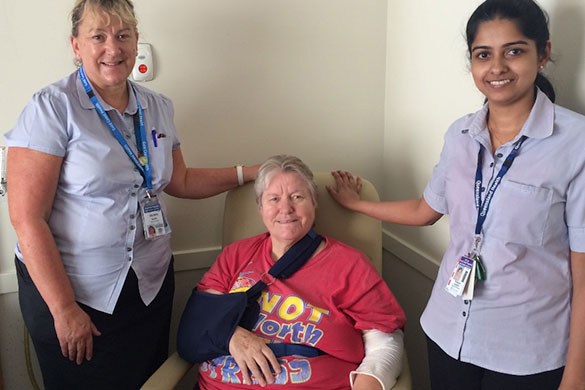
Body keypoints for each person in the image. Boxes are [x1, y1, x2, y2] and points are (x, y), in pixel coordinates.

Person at [327, 1, 585, 389]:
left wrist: (576, 375)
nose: (497, 67)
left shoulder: (576, 144)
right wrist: (357, 203)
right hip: (448, 332)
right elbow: (425, 209)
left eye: (514, 51)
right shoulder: (460, 135)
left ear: (543, 53)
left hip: (526, 352)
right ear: (472, 62)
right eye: (484, 55)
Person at [4, 1, 257, 389]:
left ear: (137, 41)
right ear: (76, 45)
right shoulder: (52, 108)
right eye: (98, 36)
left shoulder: (157, 107)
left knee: (147, 380)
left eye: (123, 36)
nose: (113, 48)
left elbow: (180, 180)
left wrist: (250, 173)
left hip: (147, 285)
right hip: (75, 292)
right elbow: (27, 218)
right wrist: (64, 308)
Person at [196, 155, 406, 390]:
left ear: (314, 202)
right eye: (274, 198)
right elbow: (200, 318)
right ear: (260, 207)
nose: (285, 209)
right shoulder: (235, 255)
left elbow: (385, 344)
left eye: (297, 196)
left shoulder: (350, 264)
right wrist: (230, 335)